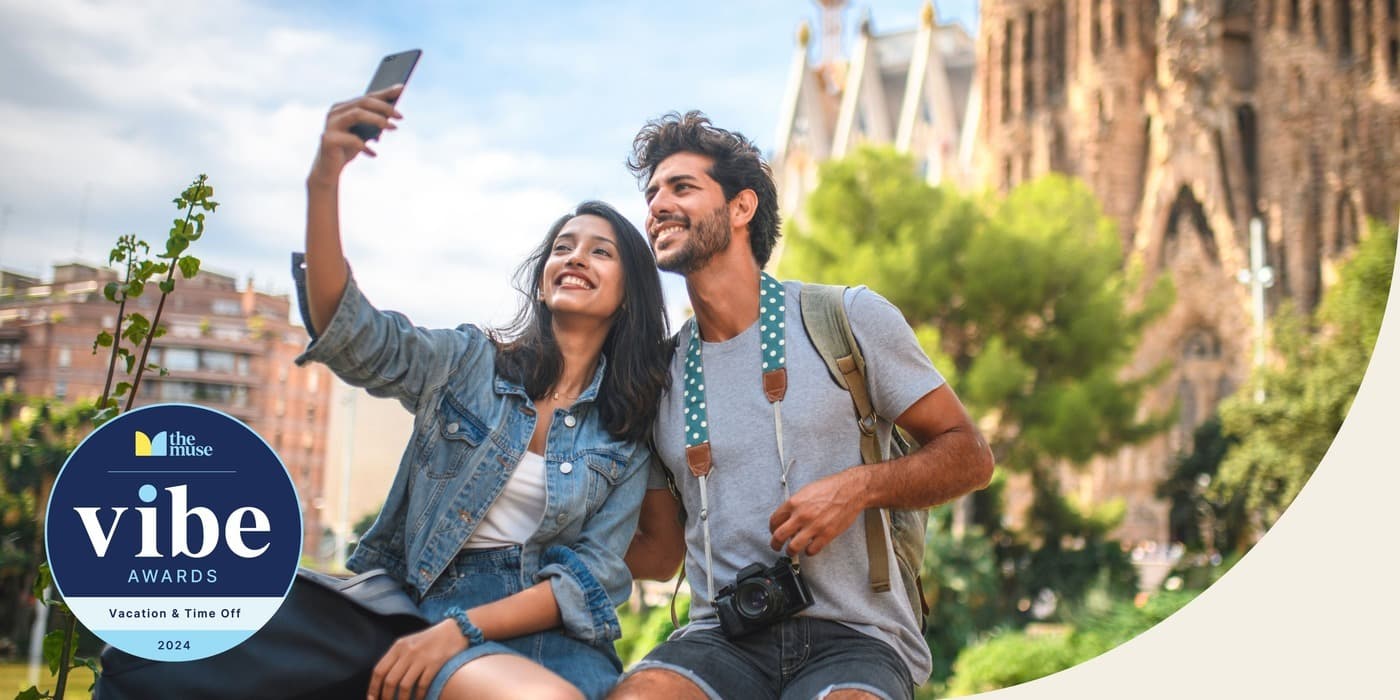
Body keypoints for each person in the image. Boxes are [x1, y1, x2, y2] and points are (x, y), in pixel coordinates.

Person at [296, 85, 672, 700]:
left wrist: (470, 629)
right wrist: (324, 181)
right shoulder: (469, 362)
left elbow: (595, 576)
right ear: (545, 278)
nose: (575, 257)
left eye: (600, 252)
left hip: (555, 626)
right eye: (562, 247)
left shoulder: (627, 425)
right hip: (430, 615)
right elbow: (354, 335)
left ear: (628, 292)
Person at [614, 112, 995, 700]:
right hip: (719, 637)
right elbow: (661, 554)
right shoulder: (660, 376)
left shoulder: (847, 318)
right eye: (652, 193)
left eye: (682, 187)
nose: (657, 204)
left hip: (860, 638)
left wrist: (859, 488)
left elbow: (970, 456)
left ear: (741, 208)